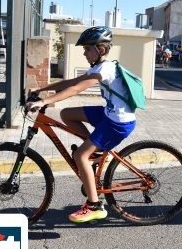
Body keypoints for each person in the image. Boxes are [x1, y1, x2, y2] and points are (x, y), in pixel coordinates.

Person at [26, 26, 137, 223]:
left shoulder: (105, 69)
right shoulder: (98, 67)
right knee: (67, 114)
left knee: (80, 155)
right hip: (109, 114)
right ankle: (96, 150)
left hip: (118, 123)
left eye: (87, 49)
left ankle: (94, 205)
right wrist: (42, 89)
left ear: (100, 50)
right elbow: (71, 82)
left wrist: (44, 102)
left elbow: (76, 89)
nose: (85, 53)